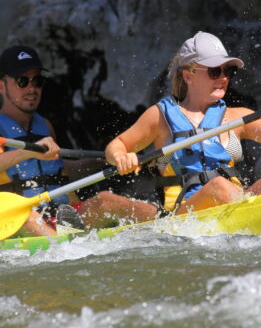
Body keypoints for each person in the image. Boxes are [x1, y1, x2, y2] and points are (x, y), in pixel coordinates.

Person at [105, 31, 261, 215]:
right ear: (188, 76)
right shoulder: (159, 117)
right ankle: (254, 215)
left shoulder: (236, 117)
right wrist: (121, 157)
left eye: (227, 71)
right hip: (184, 213)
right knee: (218, 187)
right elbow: (116, 145)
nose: (223, 78)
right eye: (214, 71)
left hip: (234, 203)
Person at [0, 45, 157, 237]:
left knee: (106, 200)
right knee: (29, 216)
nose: (32, 88)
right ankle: (61, 251)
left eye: (38, 81)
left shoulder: (45, 126)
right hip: (18, 219)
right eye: (22, 81)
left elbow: (58, 171)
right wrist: (28, 151)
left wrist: (106, 162)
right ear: (1, 86)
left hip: (61, 213)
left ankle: (169, 223)